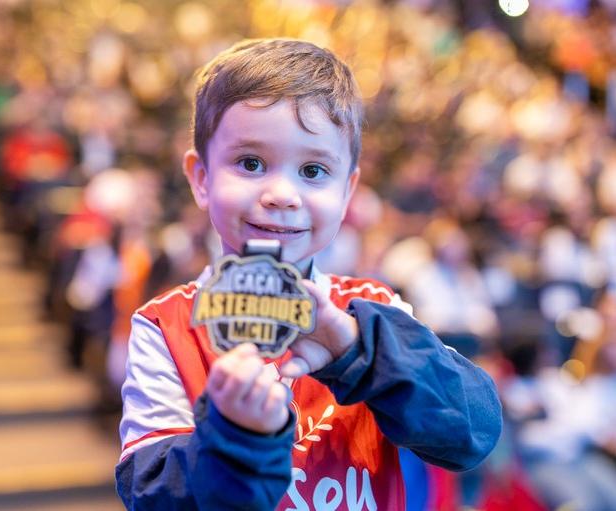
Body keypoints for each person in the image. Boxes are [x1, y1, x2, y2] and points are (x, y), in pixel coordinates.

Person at [116, 39, 502, 510]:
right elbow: (153, 496)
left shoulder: (373, 310)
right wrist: (235, 434)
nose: (282, 194)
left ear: (347, 191)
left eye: (314, 170)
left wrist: (358, 352)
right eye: (251, 163)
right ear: (201, 178)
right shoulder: (165, 326)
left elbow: (473, 432)